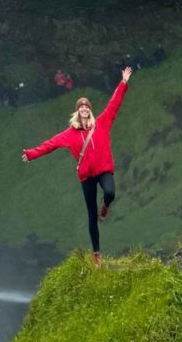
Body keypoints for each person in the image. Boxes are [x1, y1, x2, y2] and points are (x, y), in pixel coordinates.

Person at [21, 67, 133, 265]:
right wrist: (32, 154)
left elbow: (114, 104)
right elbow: (50, 144)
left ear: (90, 110)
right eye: (81, 107)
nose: (84, 109)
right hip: (87, 177)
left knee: (110, 192)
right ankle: (96, 254)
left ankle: (105, 206)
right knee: (91, 215)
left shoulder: (101, 123)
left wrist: (123, 83)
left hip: (104, 170)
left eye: (87, 107)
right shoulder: (70, 133)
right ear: (77, 111)